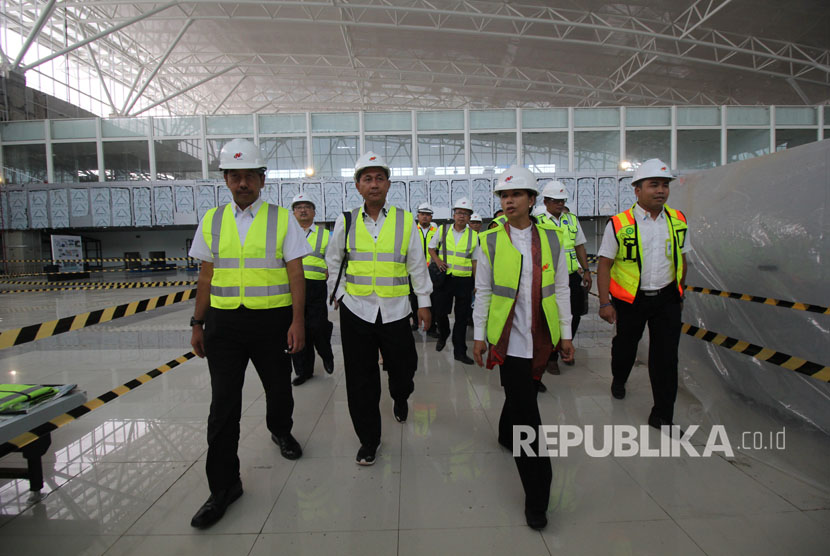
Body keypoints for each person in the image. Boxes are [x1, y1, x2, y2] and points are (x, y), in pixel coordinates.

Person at [188, 138, 308, 529]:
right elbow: (206, 276)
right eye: (235, 176)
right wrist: (197, 322)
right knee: (223, 408)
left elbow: (295, 273)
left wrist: (298, 321)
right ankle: (224, 487)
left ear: (262, 179)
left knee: (278, 387)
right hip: (223, 325)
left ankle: (281, 431)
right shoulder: (212, 220)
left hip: (271, 320)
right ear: (225, 179)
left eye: (250, 176)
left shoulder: (281, 218)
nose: (243, 183)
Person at [472, 165, 573, 531]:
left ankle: (503, 430)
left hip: (541, 340)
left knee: (521, 398)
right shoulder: (490, 241)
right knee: (529, 420)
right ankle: (538, 497)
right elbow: (483, 291)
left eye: (516, 195)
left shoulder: (551, 240)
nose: (509, 200)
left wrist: (566, 335)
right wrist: (480, 336)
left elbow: (560, 289)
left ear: (533, 200)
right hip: (509, 341)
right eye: (503, 195)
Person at [326, 152, 432, 466]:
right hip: (356, 309)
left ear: (388, 184)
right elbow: (333, 262)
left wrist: (423, 302)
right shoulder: (345, 221)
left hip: (396, 310)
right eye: (367, 179)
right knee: (361, 379)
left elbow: (416, 264)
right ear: (358, 185)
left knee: (404, 368)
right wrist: (342, 294)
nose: (374, 184)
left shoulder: (404, 220)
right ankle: (369, 440)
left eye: (379, 178)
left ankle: (400, 396)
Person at [596, 158, 690, 432]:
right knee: (626, 347)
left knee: (666, 357)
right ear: (637, 189)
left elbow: (683, 259)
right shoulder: (619, 223)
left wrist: (679, 293)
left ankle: (662, 415)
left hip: (667, 299)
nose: (660, 190)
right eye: (653, 185)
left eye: (664, 185)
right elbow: (605, 263)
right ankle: (619, 378)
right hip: (630, 300)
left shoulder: (678, 220)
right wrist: (604, 302)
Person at [540, 181, 592, 371]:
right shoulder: (538, 220)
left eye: (562, 201)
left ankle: (565, 345)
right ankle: (551, 356)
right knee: (549, 317)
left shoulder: (571, 219)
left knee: (575, 313)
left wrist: (586, 270)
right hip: (548, 277)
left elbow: (579, 246)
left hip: (571, 275)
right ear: (545, 201)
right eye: (556, 201)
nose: (560, 204)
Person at [289, 193, 335, 386]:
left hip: (316, 286)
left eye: (307, 206)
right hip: (292, 287)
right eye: (299, 207)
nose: (303, 210)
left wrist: (331, 277)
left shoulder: (325, 235)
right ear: (293, 212)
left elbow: (334, 260)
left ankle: (325, 353)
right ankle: (303, 371)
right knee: (298, 329)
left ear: (314, 212)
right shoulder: (287, 234)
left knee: (317, 326)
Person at [428, 197, 478, 364]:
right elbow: (431, 248)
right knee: (440, 312)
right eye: (459, 213)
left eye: (465, 213)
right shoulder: (443, 230)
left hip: (464, 281)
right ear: (454, 215)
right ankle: (443, 334)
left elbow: (475, 261)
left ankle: (460, 351)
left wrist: (477, 283)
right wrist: (438, 261)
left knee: (462, 318)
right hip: (445, 279)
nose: (461, 216)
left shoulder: (474, 236)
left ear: (469, 217)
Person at [410, 202, 440, 338]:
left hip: (432, 271)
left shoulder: (437, 231)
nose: (425, 217)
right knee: (414, 298)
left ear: (431, 217)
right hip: (415, 271)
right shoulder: (412, 230)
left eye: (428, 215)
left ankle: (431, 327)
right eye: (422, 214)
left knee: (432, 300)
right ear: (418, 216)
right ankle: (416, 322)